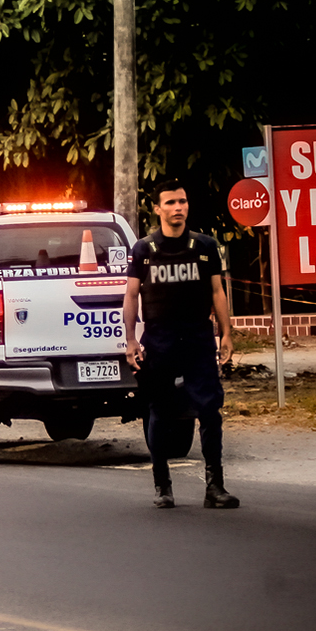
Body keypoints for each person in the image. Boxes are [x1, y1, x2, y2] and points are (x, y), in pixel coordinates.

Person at [123, 179, 239, 510]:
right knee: (159, 410)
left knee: (210, 410)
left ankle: (215, 486)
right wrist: (131, 339)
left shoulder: (205, 246)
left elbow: (217, 291)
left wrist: (226, 334)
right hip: (160, 337)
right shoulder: (145, 250)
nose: (178, 208)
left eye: (183, 202)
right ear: (158, 209)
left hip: (198, 337)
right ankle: (162, 484)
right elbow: (131, 294)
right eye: (171, 202)